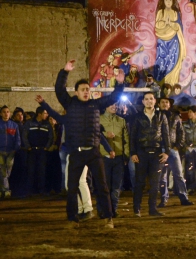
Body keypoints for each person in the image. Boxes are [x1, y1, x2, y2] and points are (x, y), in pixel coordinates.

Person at [52, 59, 124, 229]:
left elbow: (114, 96)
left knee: (102, 186)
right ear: (76, 92)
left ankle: (108, 218)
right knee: (71, 187)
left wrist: (120, 83)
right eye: (83, 89)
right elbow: (59, 90)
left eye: (88, 89)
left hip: (93, 153)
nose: (86, 92)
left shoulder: (96, 104)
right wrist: (65, 71)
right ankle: (72, 219)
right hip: (76, 153)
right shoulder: (70, 104)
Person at [130, 92, 170, 217]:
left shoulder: (161, 116)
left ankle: (152, 209)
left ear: (155, 101)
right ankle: (137, 209)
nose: (149, 101)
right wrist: (133, 153)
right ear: (143, 102)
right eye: (146, 99)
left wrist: (167, 152)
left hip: (157, 154)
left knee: (155, 183)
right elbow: (132, 136)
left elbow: (166, 135)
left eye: (151, 99)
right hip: (141, 153)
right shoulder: (137, 117)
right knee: (139, 182)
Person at [157, 97, 194, 207]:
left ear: (169, 104)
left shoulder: (176, 117)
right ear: (158, 104)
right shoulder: (156, 116)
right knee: (162, 176)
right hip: (161, 148)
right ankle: (163, 199)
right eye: (162, 102)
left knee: (178, 174)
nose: (165, 104)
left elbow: (181, 132)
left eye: (166, 102)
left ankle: (183, 198)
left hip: (173, 149)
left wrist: (178, 145)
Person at [100, 103, 129, 217]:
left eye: (116, 105)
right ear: (106, 106)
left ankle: (113, 210)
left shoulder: (121, 121)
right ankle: (103, 210)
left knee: (116, 186)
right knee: (104, 185)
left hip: (118, 157)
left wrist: (125, 155)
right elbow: (93, 135)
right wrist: (104, 135)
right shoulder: (99, 119)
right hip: (104, 157)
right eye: (111, 104)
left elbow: (126, 139)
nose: (114, 106)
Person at [154, 0, 187, 85]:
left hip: (174, 41)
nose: (168, 1)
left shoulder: (175, 13)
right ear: (163, 1)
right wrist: (165, 23)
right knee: (162, 61)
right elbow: (157, 26)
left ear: (173, 1)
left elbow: (179, 27)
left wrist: (172, 24)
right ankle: (161, 82)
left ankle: (171, 83)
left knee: (174, 60)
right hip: (162, 40)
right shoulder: (160, 12)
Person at [22, 107, 53, 196]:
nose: (46, 115)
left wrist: (47, 147)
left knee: (42, 171)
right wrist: (28, 147)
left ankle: (41, 190)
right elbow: (24, 135)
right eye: (45, 113)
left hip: (42, 151)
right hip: (32, 151)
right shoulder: (30, 123)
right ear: (39, 114)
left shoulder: (47, 124)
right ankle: (30, 191)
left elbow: (51, 137)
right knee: (31, 170)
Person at [0, 105, 20, 198]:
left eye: (8, 111)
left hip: (11, 152)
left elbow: (17, 139)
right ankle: (6, 190)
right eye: (4, 112)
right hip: (0, 152)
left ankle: (3, 189)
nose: (6, 113)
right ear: (1, 114)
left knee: (7, 171)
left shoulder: (14, 125)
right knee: (3, 171)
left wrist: (15, 149)